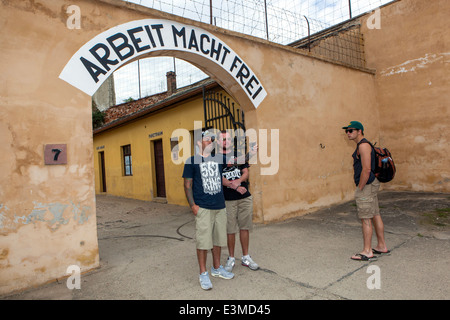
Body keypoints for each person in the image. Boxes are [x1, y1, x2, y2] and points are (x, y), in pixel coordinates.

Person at [182, 129, 234, 290]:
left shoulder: (219, 158)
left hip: (219, 206)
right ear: (199, 143)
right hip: (203, 207)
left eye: (212, 139)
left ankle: (216, 268)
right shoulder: (191, 161)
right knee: (204, 242)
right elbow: (187, 185)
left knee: (218, 240)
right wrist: (193, 205)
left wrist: (251, 153)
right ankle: (203, 273)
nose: (211, 141)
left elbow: (237, 161)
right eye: (207, 139)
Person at [343, 121, 390, 261]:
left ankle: (367, 251)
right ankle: (381, 245)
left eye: (351, 130)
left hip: (367, 185)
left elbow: (367, 169)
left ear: (360, 131)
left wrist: (361, 187)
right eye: (347, 131)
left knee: (366, 218)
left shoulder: (363, 145)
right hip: (371, 184)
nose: (348, 133)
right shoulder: (363, 145)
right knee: (375, 214)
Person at [217, 130, 259, 272]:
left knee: (245, 227)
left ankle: (246, 257)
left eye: (228, 139)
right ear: (218, 142)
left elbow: (245, 172)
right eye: (222, 139)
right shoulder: (215, 157)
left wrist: (239, 181)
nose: (225, 141)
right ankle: (231, 258)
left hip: (244, 197)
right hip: (228, 199)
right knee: (230, 230)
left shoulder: (237, 154)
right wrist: (233, 185)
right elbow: (220, 174)